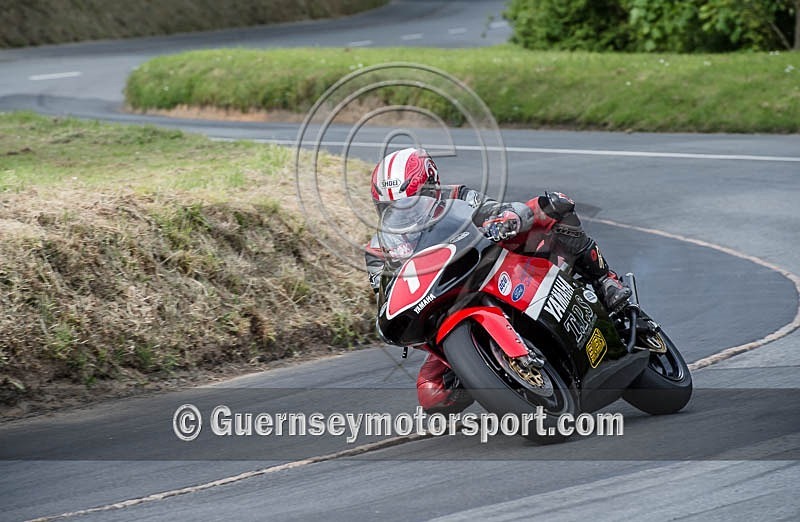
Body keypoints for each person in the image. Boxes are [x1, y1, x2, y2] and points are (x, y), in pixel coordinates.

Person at [365, 147, 631, 413]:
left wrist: (507, 217)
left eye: (412, 202)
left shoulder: (458, 196)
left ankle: (605, 281)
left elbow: (496, 210)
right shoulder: (379, 248)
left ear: (432, 186)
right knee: (432, 395)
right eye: (390, 209)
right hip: (441, 307)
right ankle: (490, 373)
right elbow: (385, 291)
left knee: (550, 206)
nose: (403, 213)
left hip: (487, 266)